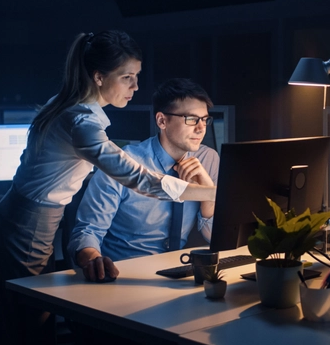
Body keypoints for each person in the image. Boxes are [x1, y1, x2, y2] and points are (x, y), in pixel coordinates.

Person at [0, 31, 215, 345]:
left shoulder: (72, 107)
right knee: (27, 325)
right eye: (127, 78)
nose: (136, 87)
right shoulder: (81, 121)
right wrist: (211, 192)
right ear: (98, 77)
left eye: (136, 77)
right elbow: (136, 178)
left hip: (29, 218)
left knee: (19, 321)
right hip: (29, 223)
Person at [68, 78, 219, 281]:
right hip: (124, 275)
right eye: (191, 119)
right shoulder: (123, 163)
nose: (201, 128)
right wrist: (94, 258)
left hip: (178, 273)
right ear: (162, 121)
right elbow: (87, 231)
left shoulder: (207, 159)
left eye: (205, 119)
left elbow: (216, 240)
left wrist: (209, 195)